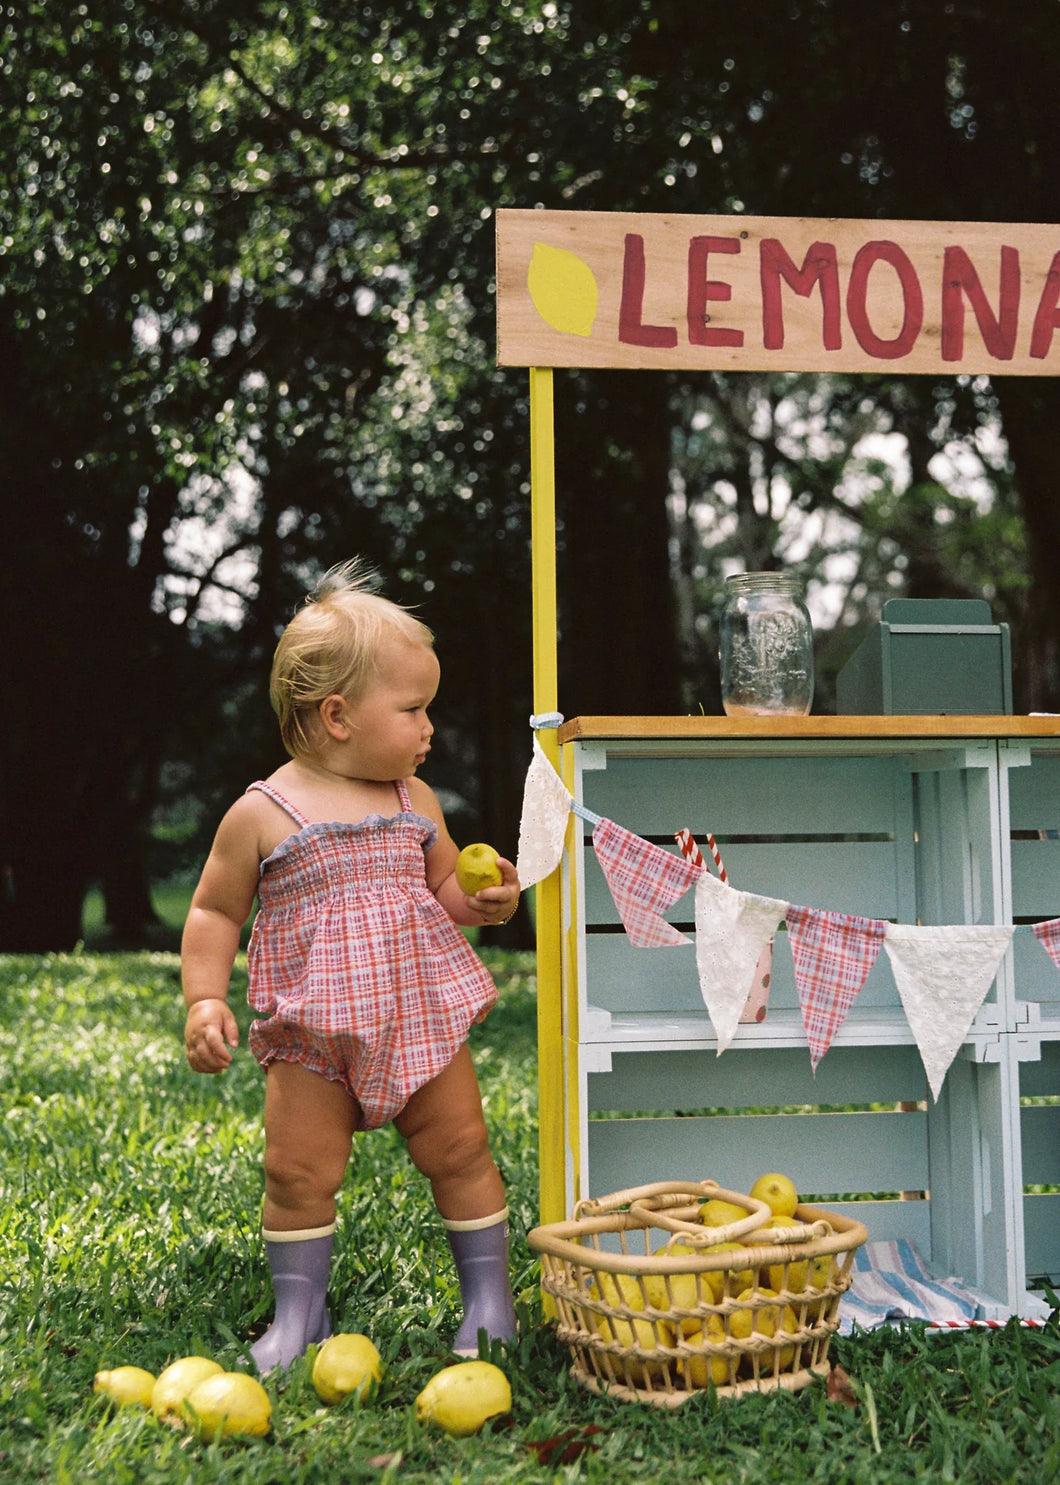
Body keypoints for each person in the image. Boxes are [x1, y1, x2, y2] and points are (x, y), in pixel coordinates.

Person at [180, 560, 521, 1372]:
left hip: (417, 1018)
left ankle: (490, 1303)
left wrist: (483, 902)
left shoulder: (415, 798)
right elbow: (215, 910)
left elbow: (443, 887)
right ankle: (299, 1316)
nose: (430, 725)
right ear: (337, 715)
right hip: (313, 1032)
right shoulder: (262, 812)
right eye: (413, 708)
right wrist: (203, 1000)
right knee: (296, 1172)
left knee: (463, 1149)